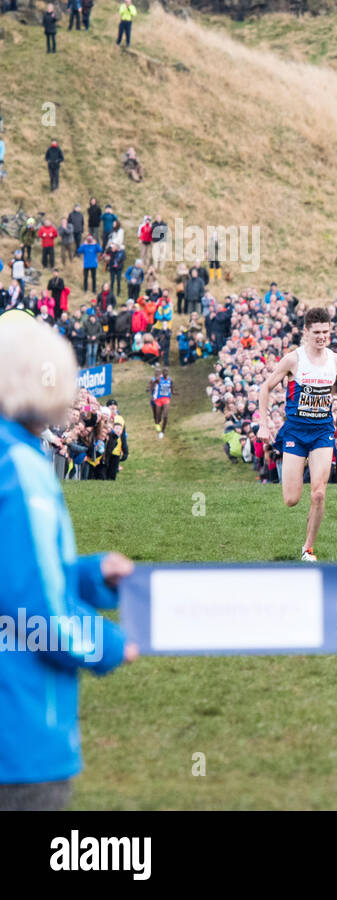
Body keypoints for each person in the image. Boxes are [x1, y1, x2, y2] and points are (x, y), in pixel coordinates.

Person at [0, 314, 137, 810]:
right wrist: (109, 643)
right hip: (20, 733)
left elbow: (15, 570)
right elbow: (35, 607)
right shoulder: (18, 467)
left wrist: (91, 575)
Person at [256, 307, 337, 561]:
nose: (322, 336)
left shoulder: (336, 360)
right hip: (295, 431)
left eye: (325, 331)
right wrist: (264, 424)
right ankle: (305, 506)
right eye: (316, 332)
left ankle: (308, 548)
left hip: (322, 431)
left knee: (319, 492)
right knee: (291, 499)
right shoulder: (294, 359)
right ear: (306, 332)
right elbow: (265, 387)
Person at [149, 366, 172, 438]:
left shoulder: (168, 379)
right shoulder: (155, 379)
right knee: (156, 415)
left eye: (158, 372)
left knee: (164, 414)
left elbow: (171, 386)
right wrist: (151, 394)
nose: (157, 373)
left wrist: (172, 392)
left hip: (165, 399)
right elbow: (151, 385)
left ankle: (162, 430)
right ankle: (157, 423)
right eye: (156, 372)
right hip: (156, 399)